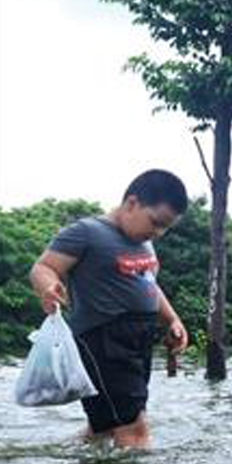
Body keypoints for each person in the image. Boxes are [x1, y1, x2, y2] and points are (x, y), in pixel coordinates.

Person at [28, 169, 190, 449]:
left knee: (103, 427)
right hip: (103, 340)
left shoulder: (144, 243)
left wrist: (172, 319)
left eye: (165, 228)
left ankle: (57, 461)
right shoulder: (87, 232)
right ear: (131, 203)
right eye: (156, 222)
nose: (158, 233)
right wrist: (48, 288)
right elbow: (43, 267)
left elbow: (149, 284)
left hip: (138, 340)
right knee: (134, 426)